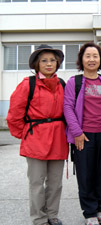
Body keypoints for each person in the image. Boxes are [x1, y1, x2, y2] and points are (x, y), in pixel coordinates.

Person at [6, 44, 68, 225]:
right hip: (35, 138)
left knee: (55, 182)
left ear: (57, 64)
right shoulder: (28, 84)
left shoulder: (62, 84)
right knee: (36, 183)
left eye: (52, 61)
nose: (49, 64)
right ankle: (39, 218)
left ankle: (52, 214)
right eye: (44, 61)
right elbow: (14, 114)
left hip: (58, 138)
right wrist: (25, 135)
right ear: (36, 64)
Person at [63, 42, 101, 225]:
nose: (91, 59)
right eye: (87, 56)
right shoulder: (75, 82)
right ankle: (89, 212)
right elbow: (68, 108)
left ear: (100, 60)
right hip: (84, 136)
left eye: (95, 56)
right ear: (81, 59)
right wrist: (77, 133)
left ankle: (99, 208)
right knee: (86, 175)